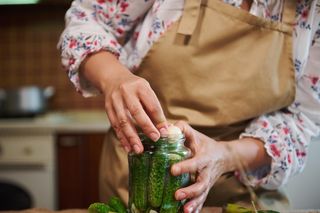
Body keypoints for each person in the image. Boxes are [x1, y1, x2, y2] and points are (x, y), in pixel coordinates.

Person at [58, 0, 320, 212]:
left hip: (239, 194)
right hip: (139, 184)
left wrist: (225, 155)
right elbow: (87, 19)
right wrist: (114, 77)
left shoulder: (313, 11)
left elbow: (299, 121)